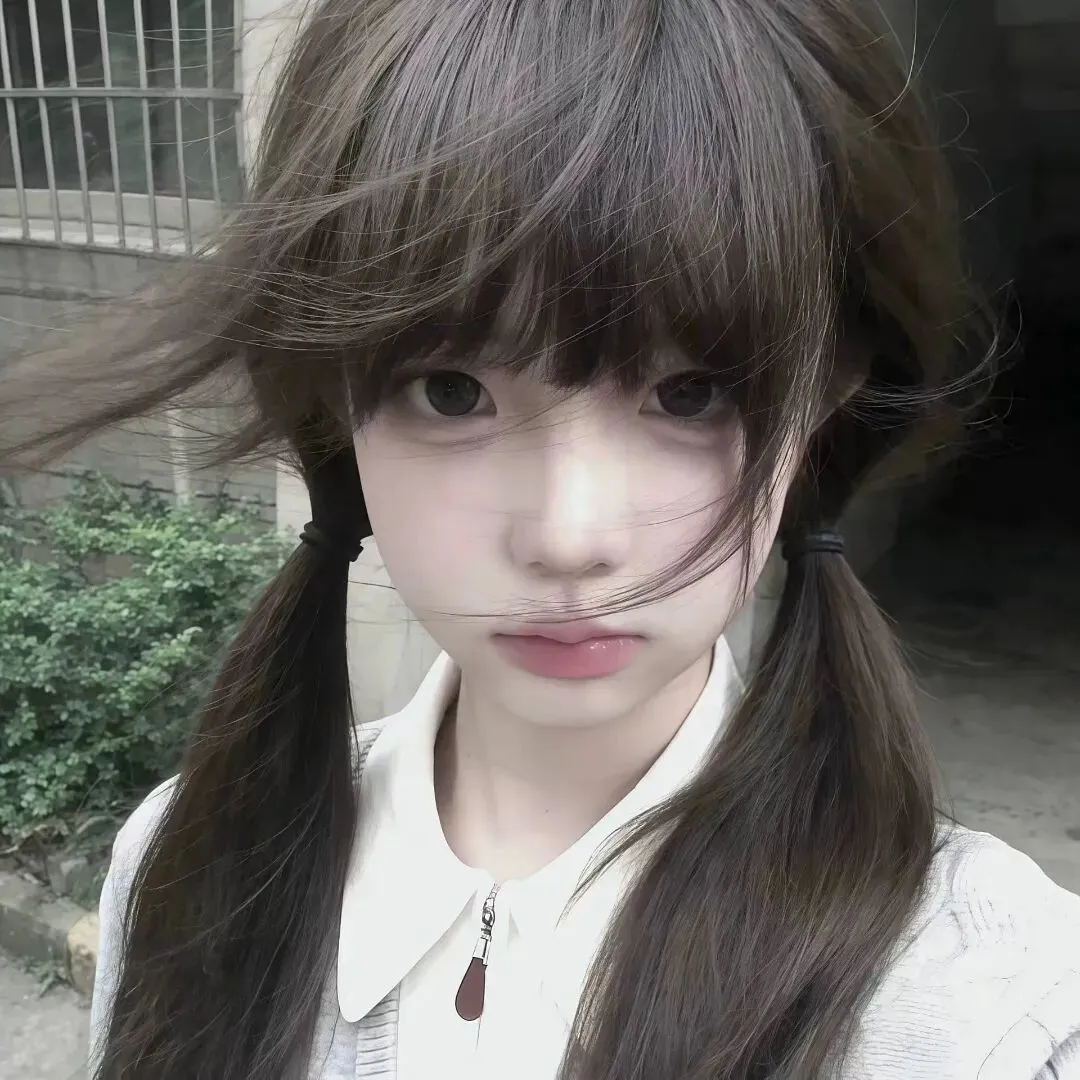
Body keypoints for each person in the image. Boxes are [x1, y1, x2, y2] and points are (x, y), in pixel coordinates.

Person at [1, 1, 1077, 1078]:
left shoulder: (993, 1008)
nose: (571, 537)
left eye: (691, 393)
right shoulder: (181, 864)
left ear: (825, 397)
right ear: (334, 403)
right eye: (451, 391)